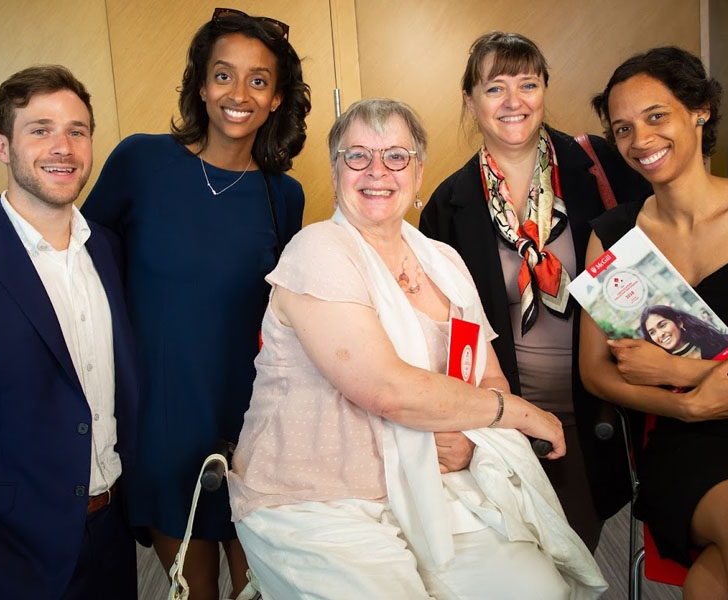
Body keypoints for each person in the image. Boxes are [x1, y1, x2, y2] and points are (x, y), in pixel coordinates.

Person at [0, 10, 311, 599]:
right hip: (162, 420)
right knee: (193, 587)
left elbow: (286, 312)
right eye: (222, 75)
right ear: (200, 83)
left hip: (253, 422)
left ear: (276, 99)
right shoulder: (142, 162)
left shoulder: (283, 193)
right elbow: (65, 242)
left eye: (257, 81)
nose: (238, 94)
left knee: (262, 583)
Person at [228, 98, 607, 600]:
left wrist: (472, 438)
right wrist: (517, 413)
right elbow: (387, 389)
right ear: (336, 168)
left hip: (435, 483)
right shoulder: (318, 251)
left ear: (419, 170)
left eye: (396, 157)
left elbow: (487, 376)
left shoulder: (444, 261)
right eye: (357, 155)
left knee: (540, 591)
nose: (377, 171)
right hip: (319, 498)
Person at [581, 46, 728, 599]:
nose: (640, 141)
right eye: (622, 129)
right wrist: (685, 403)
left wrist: (697, 374)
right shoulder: (614, 236)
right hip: (688, 440)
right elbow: (595, 372)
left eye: (656, 117)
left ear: (700, 110)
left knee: (715, 583)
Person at [0, 66, 139, 600]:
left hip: (113, 530)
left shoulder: (107, 249)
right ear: (2, 145)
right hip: (11, 551)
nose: (62, 147)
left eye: (77, 131)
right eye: (39, 129)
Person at [419, 31, 652, 550]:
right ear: (469, 99)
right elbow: (443, 327)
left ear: (545, 89)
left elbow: (648, 270)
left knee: (572, 551)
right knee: (513, 554)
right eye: (495, 88)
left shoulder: (598, 171)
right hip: (500, 416)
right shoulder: (449, 205)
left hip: (595, 409)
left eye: (528, 84)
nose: (514, 102)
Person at [639, 305, 728, 360]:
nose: (660, 334)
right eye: (652, 332)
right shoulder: (666, 372)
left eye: (662, 325)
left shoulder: (719, 342)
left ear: (679, 322)